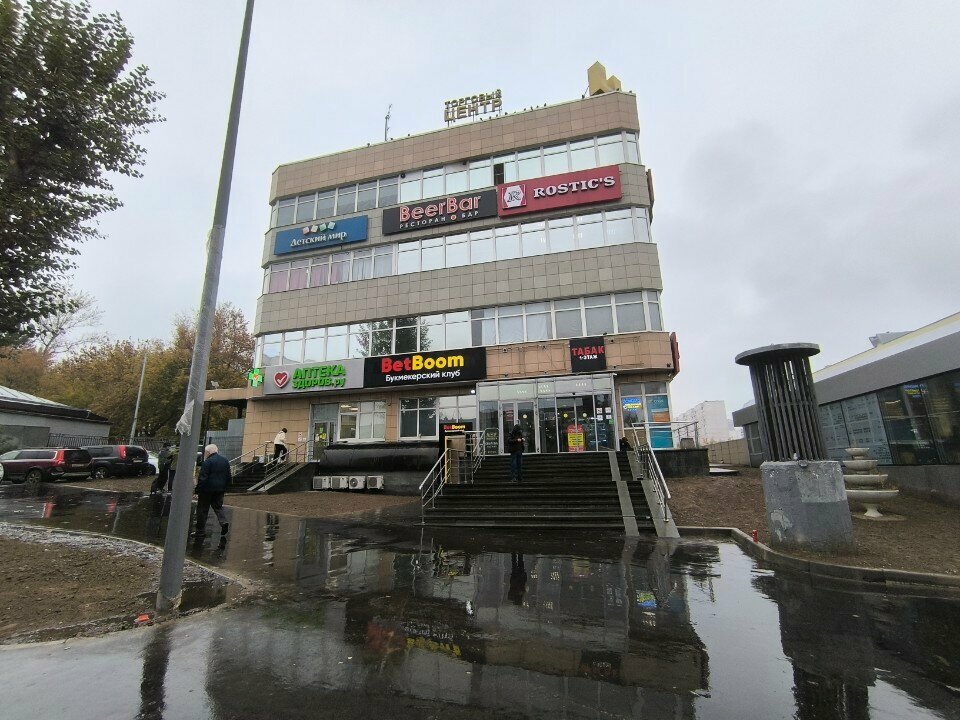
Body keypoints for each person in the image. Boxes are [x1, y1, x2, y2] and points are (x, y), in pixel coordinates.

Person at [194, 444, 231, 538]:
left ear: (208, 452)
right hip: (220, 489)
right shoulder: (225, 461)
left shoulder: (207, 462)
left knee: (202, 510)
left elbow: (203, 478)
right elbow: (228, 476)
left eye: (206, 452)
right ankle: (223, 522)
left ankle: (200, 531)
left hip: (206, 490)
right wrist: (225, 487)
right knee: (218, 507)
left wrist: (197, 490)